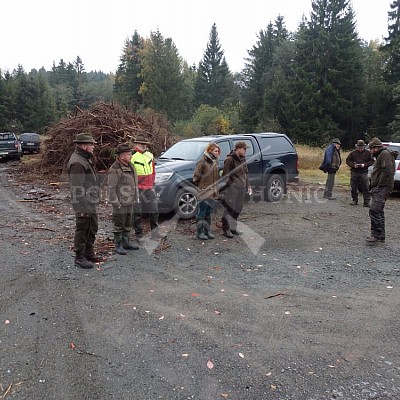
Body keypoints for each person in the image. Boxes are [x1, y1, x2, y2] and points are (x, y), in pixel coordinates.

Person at [67, 132, 103, 269]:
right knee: (82, 228)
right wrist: (84, 205)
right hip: (83, 202)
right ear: (84, 146)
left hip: (90, 201)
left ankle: (88, 252)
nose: (93, 146)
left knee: (92, 227)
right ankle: (79, 257)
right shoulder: (77, 162)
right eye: (91, 144)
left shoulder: (84, 158)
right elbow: (77, 187)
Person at [130, 134, 166, 241]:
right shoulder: (132, 156)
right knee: (137, 212)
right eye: (142, 144)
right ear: (136, 144)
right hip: (138, 188)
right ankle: (138, 234)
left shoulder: (149, 155)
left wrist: (152, 182)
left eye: (145, 144)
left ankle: (155, 233)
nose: (144, 146)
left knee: (154, 211)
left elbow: (153, 170)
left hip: (150, 187)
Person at [108, 143, 140, 254]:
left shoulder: (130, 166)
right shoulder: (115, 168)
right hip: (120, 202)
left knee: (128, 223)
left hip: (130, 201)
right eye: (128, 154)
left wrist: (136, 198)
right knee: (119, 224)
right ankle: (118, 245)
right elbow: (111, 188)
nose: (131, 156)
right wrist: (115, 203)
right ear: (122, 156)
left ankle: (126, 242)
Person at [366, 137, 396, 246]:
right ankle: (381, 235)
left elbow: (387, 171)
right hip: (381, 187)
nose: (370, 151)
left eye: (371, 149)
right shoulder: (382, 154)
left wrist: (380, 185)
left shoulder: (384, 154)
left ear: (376, 148)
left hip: (382, 188)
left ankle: (376, 235)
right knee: (379, 211)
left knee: (374, 210)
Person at [221, 141, 251, 238]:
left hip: (241, 188)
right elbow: (225, 175)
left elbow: (246, 173)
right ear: (238, 148)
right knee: (229, 208)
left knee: (238, 208)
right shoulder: (229, 159)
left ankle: (233, 227)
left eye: (246, 149)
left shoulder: (243, 159)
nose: (245, 151)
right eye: (244, 149)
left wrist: (248, 185)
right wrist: (232, 185)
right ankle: (226, 229)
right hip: (232, 189)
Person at [192, 143, 221, 240]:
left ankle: (207, 231)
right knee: (202, 212)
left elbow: (216, 177)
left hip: (213, 192)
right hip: (204, 191)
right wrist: (201, 188)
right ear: (210, 151)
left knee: (209, 212)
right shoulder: (202, 162)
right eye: (215, 151)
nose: (217, 153)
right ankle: (200, 233)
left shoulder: (215, 162)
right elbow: (196, 177)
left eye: (218, 151)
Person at [345, 139, 374, 207]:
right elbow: (348, 160)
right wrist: (353, 165)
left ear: (364, 147)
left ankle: (366, 202)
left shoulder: (368, 153)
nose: (360, 149)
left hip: (364, 172)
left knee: (366, 187)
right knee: (353, 187)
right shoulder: (353, 153)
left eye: (361, 148)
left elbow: (372, 161)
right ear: (357, 147)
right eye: (359, 147)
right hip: (354, 171)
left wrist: (365, 165)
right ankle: (354, 200)